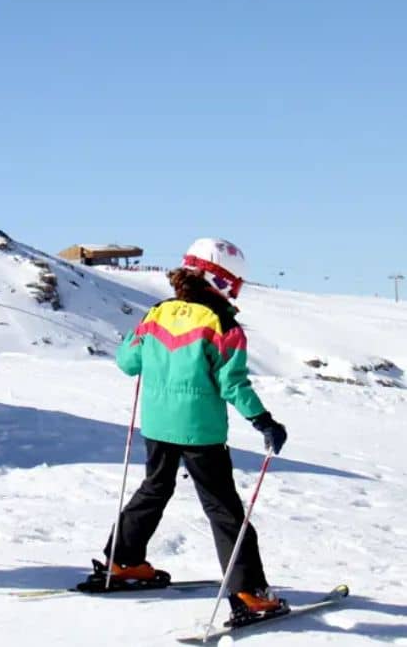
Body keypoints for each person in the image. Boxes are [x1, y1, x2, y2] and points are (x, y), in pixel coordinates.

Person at [101, 238, 289, 621]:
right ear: (219, 280)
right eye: (234, 284)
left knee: (154, 488)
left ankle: (122, 561)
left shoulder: (156, 314)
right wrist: (264, 421)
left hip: (156, 424)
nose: (235, 292)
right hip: (200, 431)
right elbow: (233, 384)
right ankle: (250, 592)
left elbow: (127, 362)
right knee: (223, 508)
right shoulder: (222, 323)